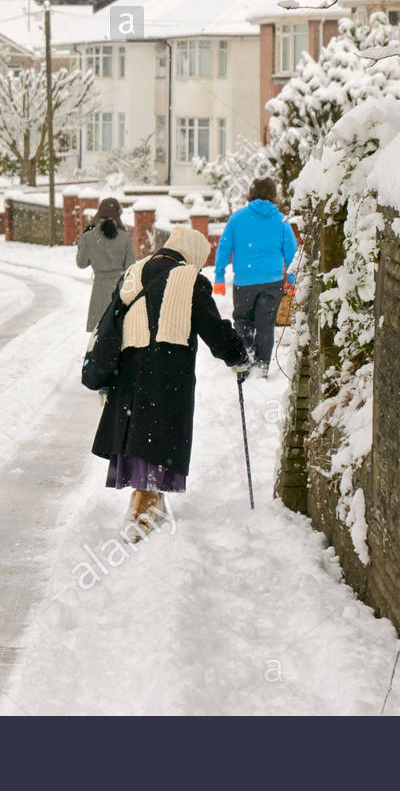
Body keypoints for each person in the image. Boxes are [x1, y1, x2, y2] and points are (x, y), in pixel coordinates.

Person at [93, 226, 250, 537]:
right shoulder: (190, 280)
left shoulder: (134, 272)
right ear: (192, 254)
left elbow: (112, 318)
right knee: (157, 439)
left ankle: (151, 503)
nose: (200, 266)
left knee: (139, 437)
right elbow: (214, 329)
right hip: (166, 376)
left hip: (128, 371)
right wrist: (237, 356)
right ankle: (141, 519)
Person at [212, 177, 297, 377]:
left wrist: (219, 278)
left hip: (245, 282)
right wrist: (291, 281)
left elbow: (224, 249)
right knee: (266, 325)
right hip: (272, 282)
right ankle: (261, 368)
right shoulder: (281, 221)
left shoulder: (237, 218)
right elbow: (292, 254)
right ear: (273, 195)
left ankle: (244, 361)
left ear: (251, 193)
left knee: (243, 322)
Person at [75, 197, 134, 332]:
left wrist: (84, 244)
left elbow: (81, 263)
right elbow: (131, 266)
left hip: (99, 289)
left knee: (99, 330)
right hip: (120, 289)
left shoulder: (89, 237)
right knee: (119, 328)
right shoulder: (125, 237)